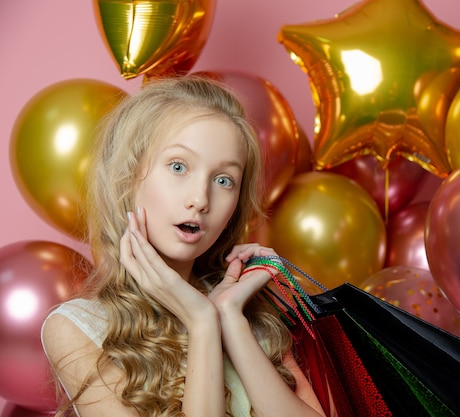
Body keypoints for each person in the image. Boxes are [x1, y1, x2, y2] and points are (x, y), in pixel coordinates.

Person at [41, 76, 326, 417]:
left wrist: (230, 320)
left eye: (224, 180)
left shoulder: (247, 307)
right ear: (128, 177)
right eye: (178, 166)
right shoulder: (78, 328)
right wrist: (202, 322)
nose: (200, 199)